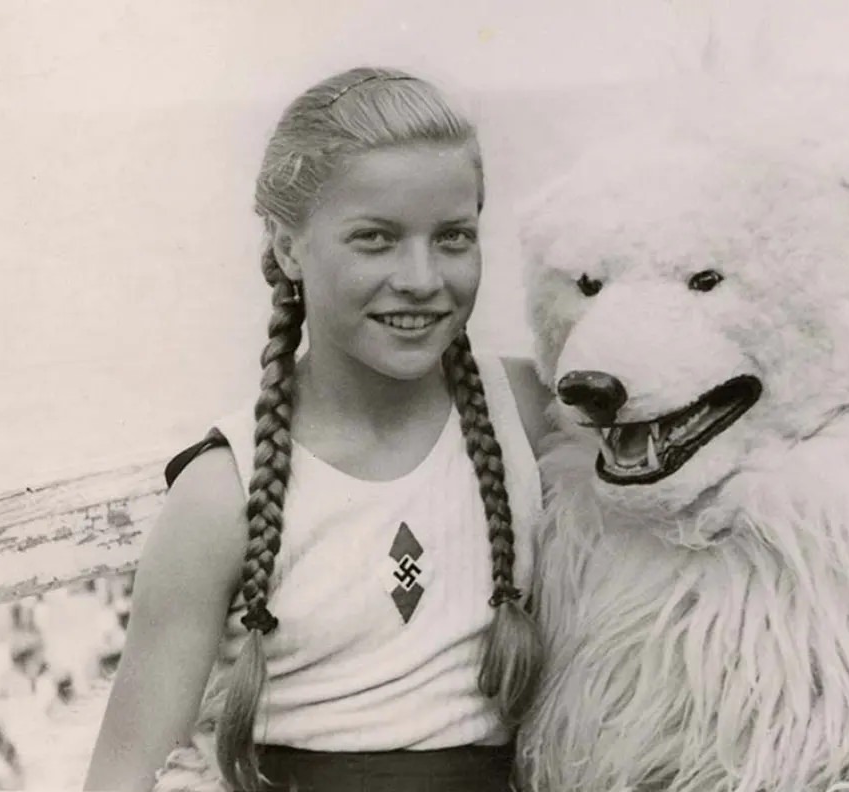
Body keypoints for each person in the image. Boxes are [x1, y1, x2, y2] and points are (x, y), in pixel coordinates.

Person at [83, 66, 553, 792]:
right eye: (376, 239)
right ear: (288, 246)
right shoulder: (221, 492)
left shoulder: (528, 410)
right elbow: (123, 771)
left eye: (454, 237)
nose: (422, 278)